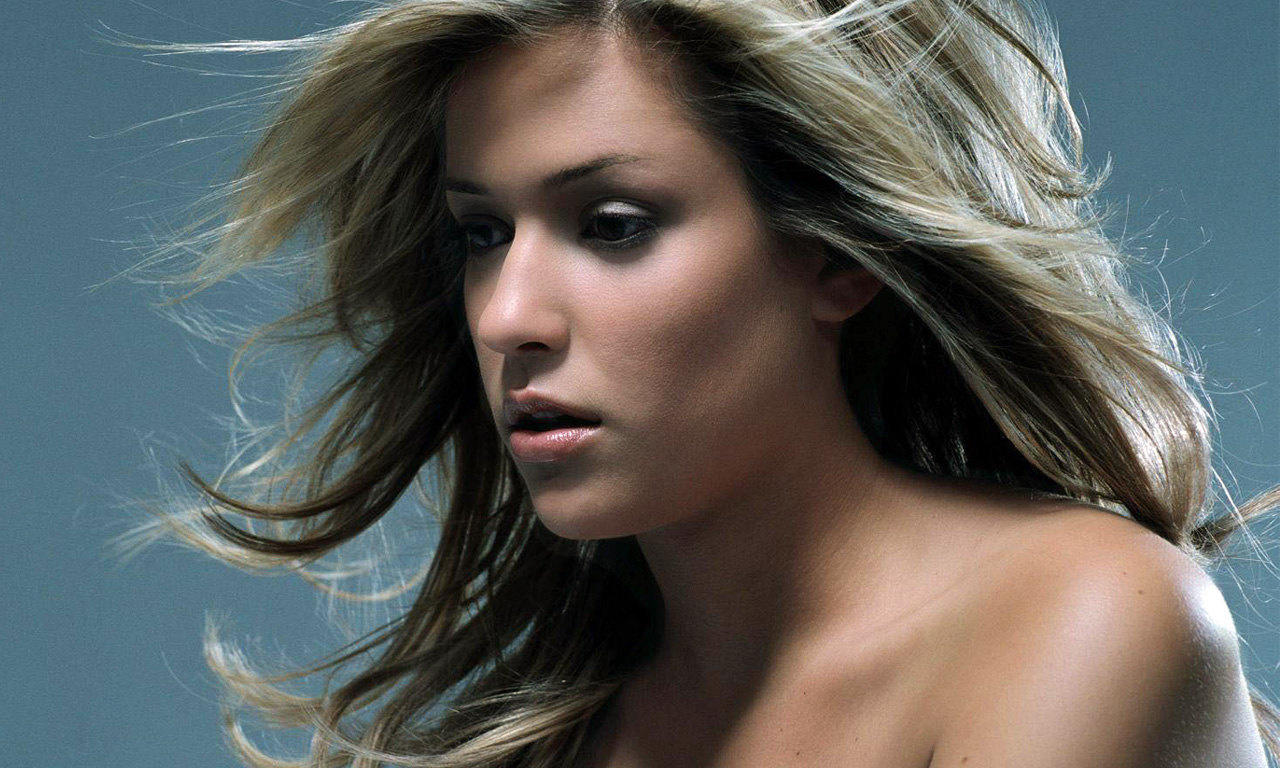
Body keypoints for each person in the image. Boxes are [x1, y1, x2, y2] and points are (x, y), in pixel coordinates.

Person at [113, 1, 1278, 766]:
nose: (508, 317)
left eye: (611, 225)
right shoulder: (559, 731)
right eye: (481, 235)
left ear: (834, 256)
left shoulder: (1082, 620)